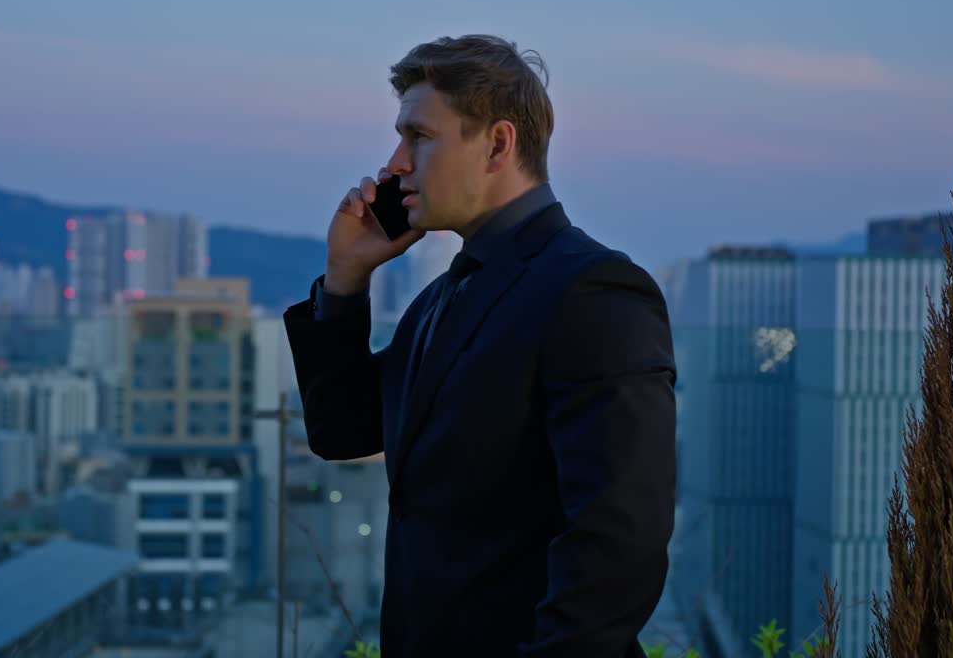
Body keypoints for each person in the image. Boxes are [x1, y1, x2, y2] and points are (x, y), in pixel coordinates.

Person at [283, 34, 677, 657]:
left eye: (419, 136)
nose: (394, 164)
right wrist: (345, 280)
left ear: (497, 143)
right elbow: (342, 429)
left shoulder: (593, 290)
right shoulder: (439, 300)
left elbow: (617, 543)